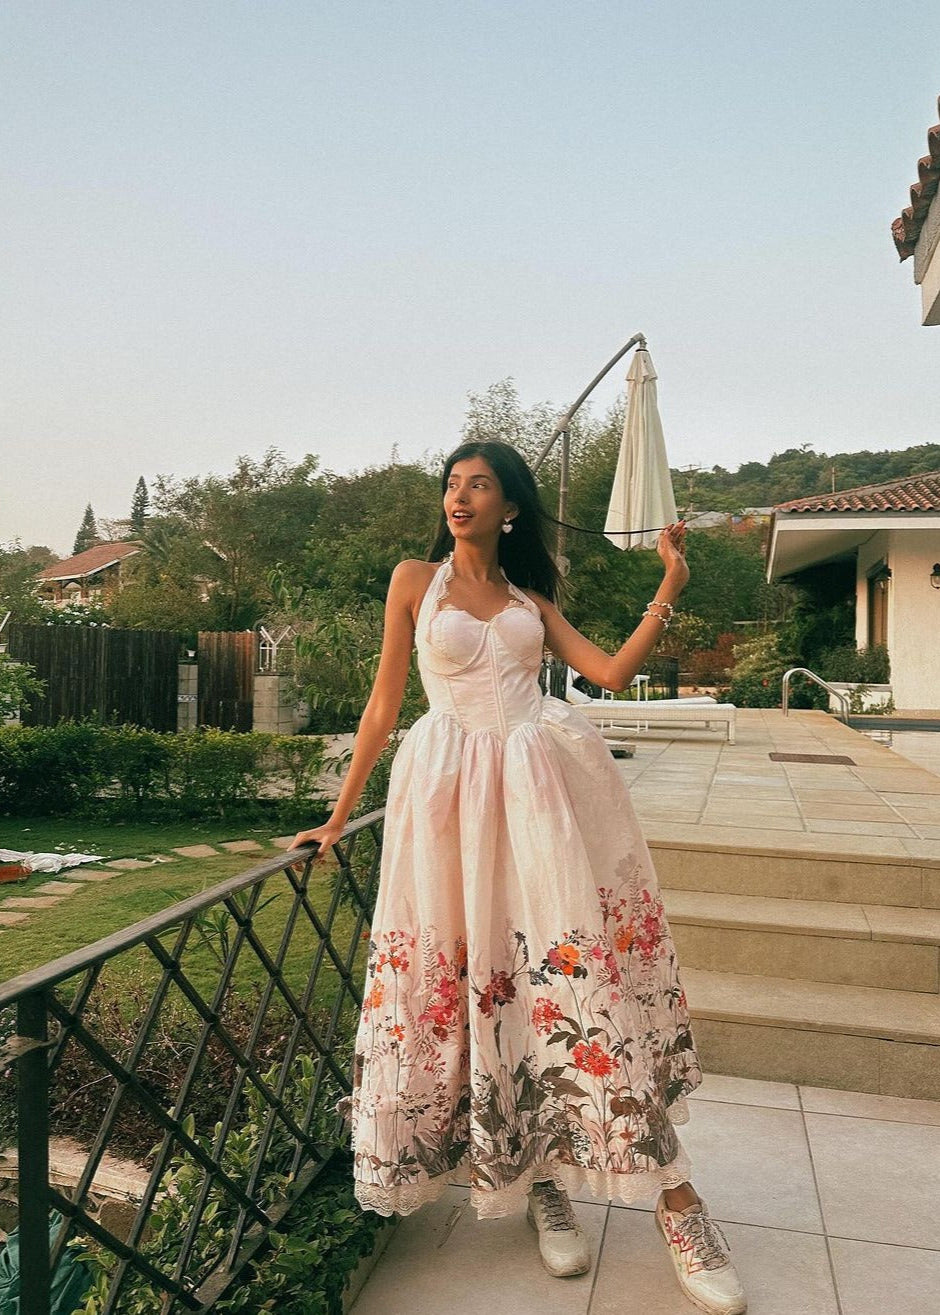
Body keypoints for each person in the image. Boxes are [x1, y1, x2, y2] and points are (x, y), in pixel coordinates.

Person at [291, 441, 746, 1315]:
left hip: (541, 800)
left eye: (478, 485)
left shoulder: (531, 597)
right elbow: (385, 703)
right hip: (446, 808)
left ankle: (679, 1202)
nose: (459, 497)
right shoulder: (411, 581)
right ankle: (543, 1180)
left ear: (511, 508)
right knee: (488, 990)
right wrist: (341, 816)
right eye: (451, 485)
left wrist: (670, 587)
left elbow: (607, 672)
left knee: (579, 987)